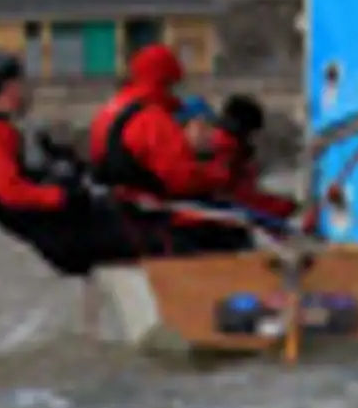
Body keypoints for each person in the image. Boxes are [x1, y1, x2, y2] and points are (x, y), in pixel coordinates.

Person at [0, 52, 140, 278]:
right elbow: (11, 192)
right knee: (161, 236)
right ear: (8, 88)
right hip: (67, 238)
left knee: (145, 218)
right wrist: (63, 196)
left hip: (77, 223)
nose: (27, 89)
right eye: (21, 83)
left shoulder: (16, 131)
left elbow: (55, 166)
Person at [87, 45, 250, 254]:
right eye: (174, 84)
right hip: (153, 217)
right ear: (164, 81)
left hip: (121, 212)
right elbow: (181, 178)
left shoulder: (110, 110)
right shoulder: (151, 118)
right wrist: (219, 174)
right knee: (235, 229)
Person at [211, 94, 298, 226]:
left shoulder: (225, 147)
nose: (253, 141)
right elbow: (240, 200)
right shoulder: (226, 153)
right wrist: (285, 206)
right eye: (252, 134)